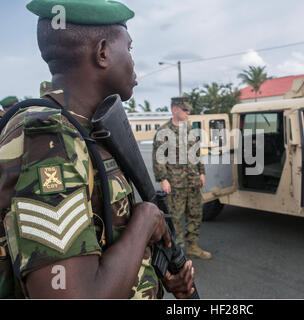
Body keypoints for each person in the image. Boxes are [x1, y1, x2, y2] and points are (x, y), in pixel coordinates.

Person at [0, 0, 194, 299]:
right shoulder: (50, 138)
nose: (132, 61)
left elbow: (104, 238)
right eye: (129, 48)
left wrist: (154, 273)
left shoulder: (86, 129)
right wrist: (145, 221)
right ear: (103, 52)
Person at [153, 97, 212, 260]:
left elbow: (197, 153)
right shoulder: (164, 132)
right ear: (174, 110)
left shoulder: (190, 129)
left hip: (193, 180)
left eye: (188, 110)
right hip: (175, 183)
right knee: (175, 218)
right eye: (185, 110)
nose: (188, 113)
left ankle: (193, 246)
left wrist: (202, 172)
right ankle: (177, 251)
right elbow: (159, 158)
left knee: (195, 213)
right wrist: (163, 179)